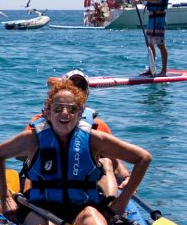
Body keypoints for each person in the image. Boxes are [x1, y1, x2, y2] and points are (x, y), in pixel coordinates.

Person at [0, 78, 152, 225]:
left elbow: (143, 158)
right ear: (47, 112)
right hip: (41, 210)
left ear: (80, 112)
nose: (65, 113)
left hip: (83, 209)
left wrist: (123, 199)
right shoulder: (32, 139)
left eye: (72, 109)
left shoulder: (94, 140)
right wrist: (5, 197)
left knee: (95, 223)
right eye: (58, 109)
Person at [25, 69, 131, 198]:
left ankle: (111, 206)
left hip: (83, 185)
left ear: (87, 93)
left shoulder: (97, 126)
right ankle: (26, 205)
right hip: (47, 180)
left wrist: (126, 177)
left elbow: (116, 162)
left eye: (81, 87)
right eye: (72, 86)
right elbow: (22, 154)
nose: (77, 90)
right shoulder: (40, 123)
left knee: (106, 162)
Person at [121, 0, 170, 76]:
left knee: (160, 44)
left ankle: (163, 71)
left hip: (159, 18)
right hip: (151, 18)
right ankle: (151, 69)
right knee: (149, 43)